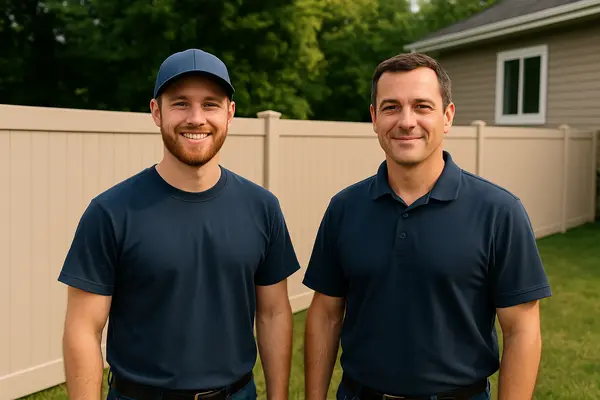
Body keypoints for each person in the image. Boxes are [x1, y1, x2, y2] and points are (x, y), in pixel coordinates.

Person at [302, 52, 552, 400]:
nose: (406, 121)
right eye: (391, 107)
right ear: (374, 118)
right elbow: (326, 314)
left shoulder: (499, 211)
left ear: (447, 116)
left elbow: (522, 329)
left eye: (422, 106)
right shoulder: (344, 209)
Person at [58, 48, 301, 400]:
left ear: (230, 113)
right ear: (156, 112)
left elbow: (274, 313)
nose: (196, 118)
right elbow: (83, 328)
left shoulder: (262, 207)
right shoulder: (110, 212)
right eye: (181, 103)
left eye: (211, 104)